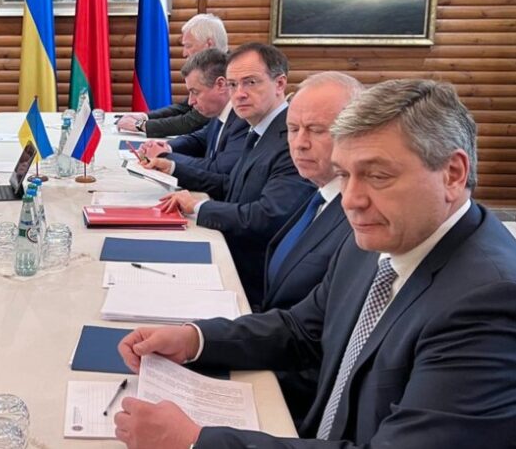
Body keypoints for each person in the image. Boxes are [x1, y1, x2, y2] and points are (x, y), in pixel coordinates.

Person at [115, 79, 516, 448]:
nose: (351, 200)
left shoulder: (488, 301)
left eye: (377, 176)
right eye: (345, 175)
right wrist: (194, 339)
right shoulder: (384, 235)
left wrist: (195, 443)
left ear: (452, 174)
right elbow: (302, 331)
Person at [158, 43, 314, 305]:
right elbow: (233, 185)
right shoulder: (258, 129)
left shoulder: (291, 139)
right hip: (231, 254)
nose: (239, 94)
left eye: (250, 82)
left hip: (251, 281)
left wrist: (199, 207)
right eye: (233, 85)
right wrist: (175, 171)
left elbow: (269, 215)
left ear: (279, 84)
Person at [261, 71, 362, 425]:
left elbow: (318, 342)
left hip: (294, 395)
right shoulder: (318, 194)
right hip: (271, 350)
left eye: (317, 130)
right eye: (293, 129)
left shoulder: (359, 219)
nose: (299, 143)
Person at [136, 48, 249, 189]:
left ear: (221, 85)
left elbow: (219, 169)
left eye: (195, 92)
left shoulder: (242, 119)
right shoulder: (219, 111)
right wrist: (167, 147)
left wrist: (166, 156)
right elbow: (200, 140)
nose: (191, 101)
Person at [116, 13, 227, 138]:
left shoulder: (228, 73)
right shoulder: (211, 68)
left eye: (188, 46)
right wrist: (145, 116)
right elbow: (184, 107)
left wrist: (141, 125)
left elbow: (192, 121)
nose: (184, 53)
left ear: (209, 45)